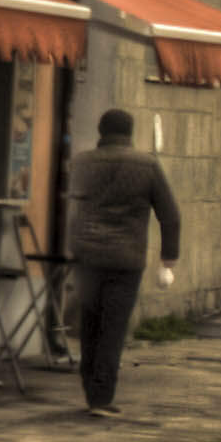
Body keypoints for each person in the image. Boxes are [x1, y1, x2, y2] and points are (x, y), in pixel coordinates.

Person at [66, 109, 182, 416]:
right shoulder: (147, 165)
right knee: (113, 327)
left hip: (87, 255)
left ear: (100, 131)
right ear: (129, 133)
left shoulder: (81, 162)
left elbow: (69, 205)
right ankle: (101, 397)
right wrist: (167, 259)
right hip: (125, 259)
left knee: (90, 322)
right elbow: (170, 214)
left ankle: (90, 385)